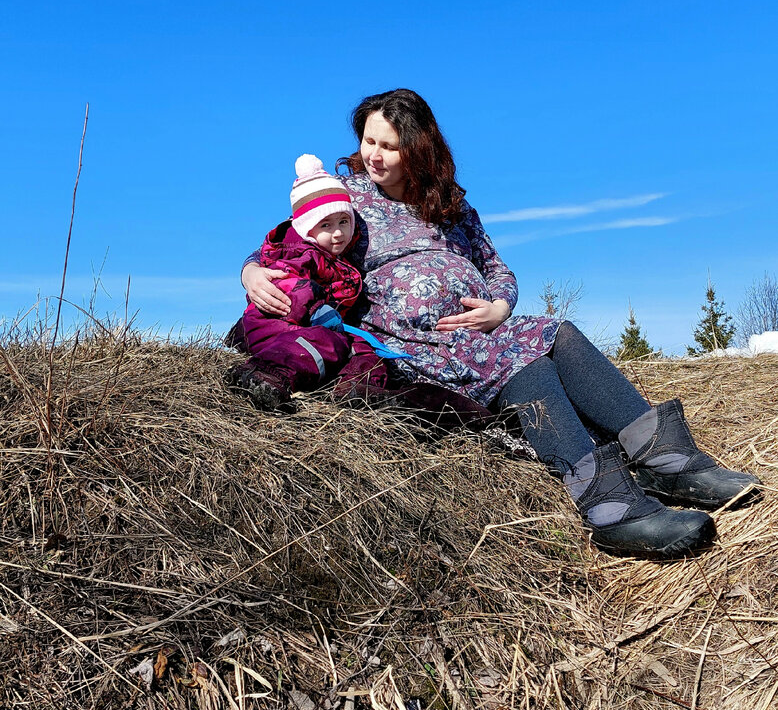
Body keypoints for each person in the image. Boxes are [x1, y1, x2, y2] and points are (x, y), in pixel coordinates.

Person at [242, 90, 761, 557]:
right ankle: (608, 507)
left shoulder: (452, 207)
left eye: (390, 145)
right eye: (368, 140)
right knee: (523, 362)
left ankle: (670, 461)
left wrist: (501, 307)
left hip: (479, 326)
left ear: (419, 150)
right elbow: (292, 241)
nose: (374, 154)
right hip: (416, 340)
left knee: (561, 333)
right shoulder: (348, 196)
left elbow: (495, 267)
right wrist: (250, 270)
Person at [227, 154, 388, 410]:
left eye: (344, 222)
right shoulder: (299, 251)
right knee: (327, 341)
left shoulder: (334, 256)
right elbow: (287, 283)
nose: (338, 232)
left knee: (363, 347)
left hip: (304, 326)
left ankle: (358, 388)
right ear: (307, 228)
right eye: (326, 224)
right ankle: (266, 374)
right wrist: (316, 310)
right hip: (273, 321)